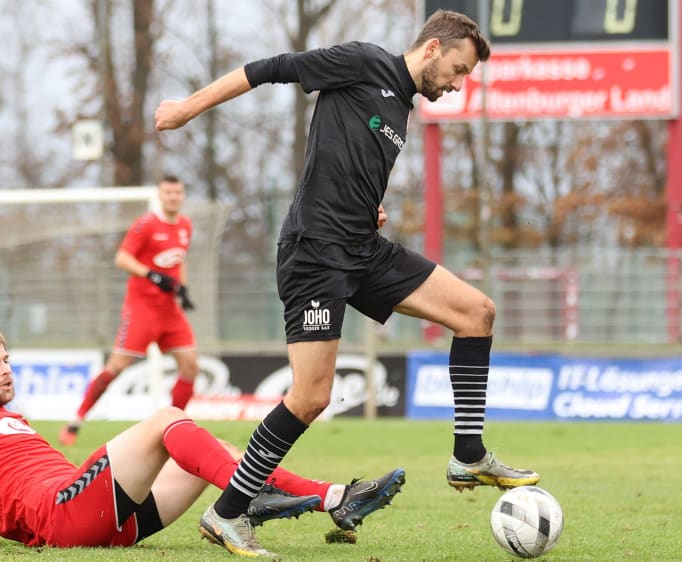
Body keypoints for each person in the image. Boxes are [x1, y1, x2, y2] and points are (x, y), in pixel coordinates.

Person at [153, 9, 539, 556]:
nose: (458, 84)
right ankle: (227, 513)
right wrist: (186, 108)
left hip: (362, 249)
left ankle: (468, 455)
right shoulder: (361, 62)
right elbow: (269, 68)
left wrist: (369, 206)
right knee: (311, 397)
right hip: (315, 252)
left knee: (478, 312)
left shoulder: (401, 107)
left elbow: (348, 161)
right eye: (458, 70)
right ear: (433, 48)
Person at [0, 319, 405, 555]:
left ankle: (334, 498)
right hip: (63, 515)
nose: (6, 369)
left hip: (104, 518)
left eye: (7, 359)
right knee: (164, 419)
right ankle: (245, 503)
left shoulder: (6, 419)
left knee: (222, 452)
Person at [59, 175, 199, 446]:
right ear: (160, 196)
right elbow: (122, 258)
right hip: (142, 309)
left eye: (178, 193)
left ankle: (173, 426)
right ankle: (77, 419)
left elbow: (180, 260)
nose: (173, 198)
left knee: (191, 366)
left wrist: (183, 288)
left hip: (170, 311)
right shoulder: (145, 224)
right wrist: (151, 275)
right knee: (117, 366)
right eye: (168, 193)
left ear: (183, 196)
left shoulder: (185, 225)